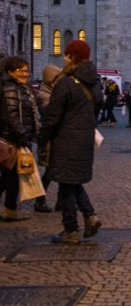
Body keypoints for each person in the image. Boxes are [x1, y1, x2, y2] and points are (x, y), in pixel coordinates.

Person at [38, 40, 104, 244]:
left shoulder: (66, 83)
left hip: (65, 140)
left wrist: (42, 139)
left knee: (66, 186)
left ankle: (71, 230)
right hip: (84, 140)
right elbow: (96, 111)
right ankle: (90, 216)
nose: (64, 58)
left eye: (66, 55)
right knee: (71, 182)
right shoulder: (95, 83)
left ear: (72, 58)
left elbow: (52, 115)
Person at [1, 57, 38, 222]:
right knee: (10, 177)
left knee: (12, 177)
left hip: (19, 138)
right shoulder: (10, 88)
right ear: (10, 72)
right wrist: (22, 135)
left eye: (26, 70)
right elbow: (12, 115)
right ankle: (10, 209)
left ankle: (10, 209)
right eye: (21, 70)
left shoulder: (21, 88)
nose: (25, 74)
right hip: (12, 140)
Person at [33, 64, 64, 213]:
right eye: (58, 78)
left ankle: (60, 201)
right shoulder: (43, 94)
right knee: (50, 172)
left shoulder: (53, 92)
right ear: (51, 80)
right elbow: (49, 111)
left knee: (58, 171)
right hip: (49, 139)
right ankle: (39, 200)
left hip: (56, 138)